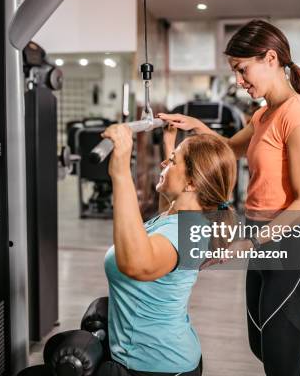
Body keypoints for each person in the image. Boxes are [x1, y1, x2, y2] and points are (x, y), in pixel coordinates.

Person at [159, 19, 300, 376]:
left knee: (282, 364)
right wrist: (197, 127)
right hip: (262, 243)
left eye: (241, 69)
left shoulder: (298, 116)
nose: (239, 80)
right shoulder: (265, 113)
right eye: (235, 71)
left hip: (288, 247)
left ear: (270, 58)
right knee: (261, 346)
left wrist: (248, 241)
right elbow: (231, 149)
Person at [96, 123, 237, 376]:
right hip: (160, 357)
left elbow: (137, 265)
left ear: (192, 183)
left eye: (172, 162)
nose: (163, 164)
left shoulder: (185, 234)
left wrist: (120, 170)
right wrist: (169, 144)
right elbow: (168, 206)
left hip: (155, 366)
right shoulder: (180, 218)